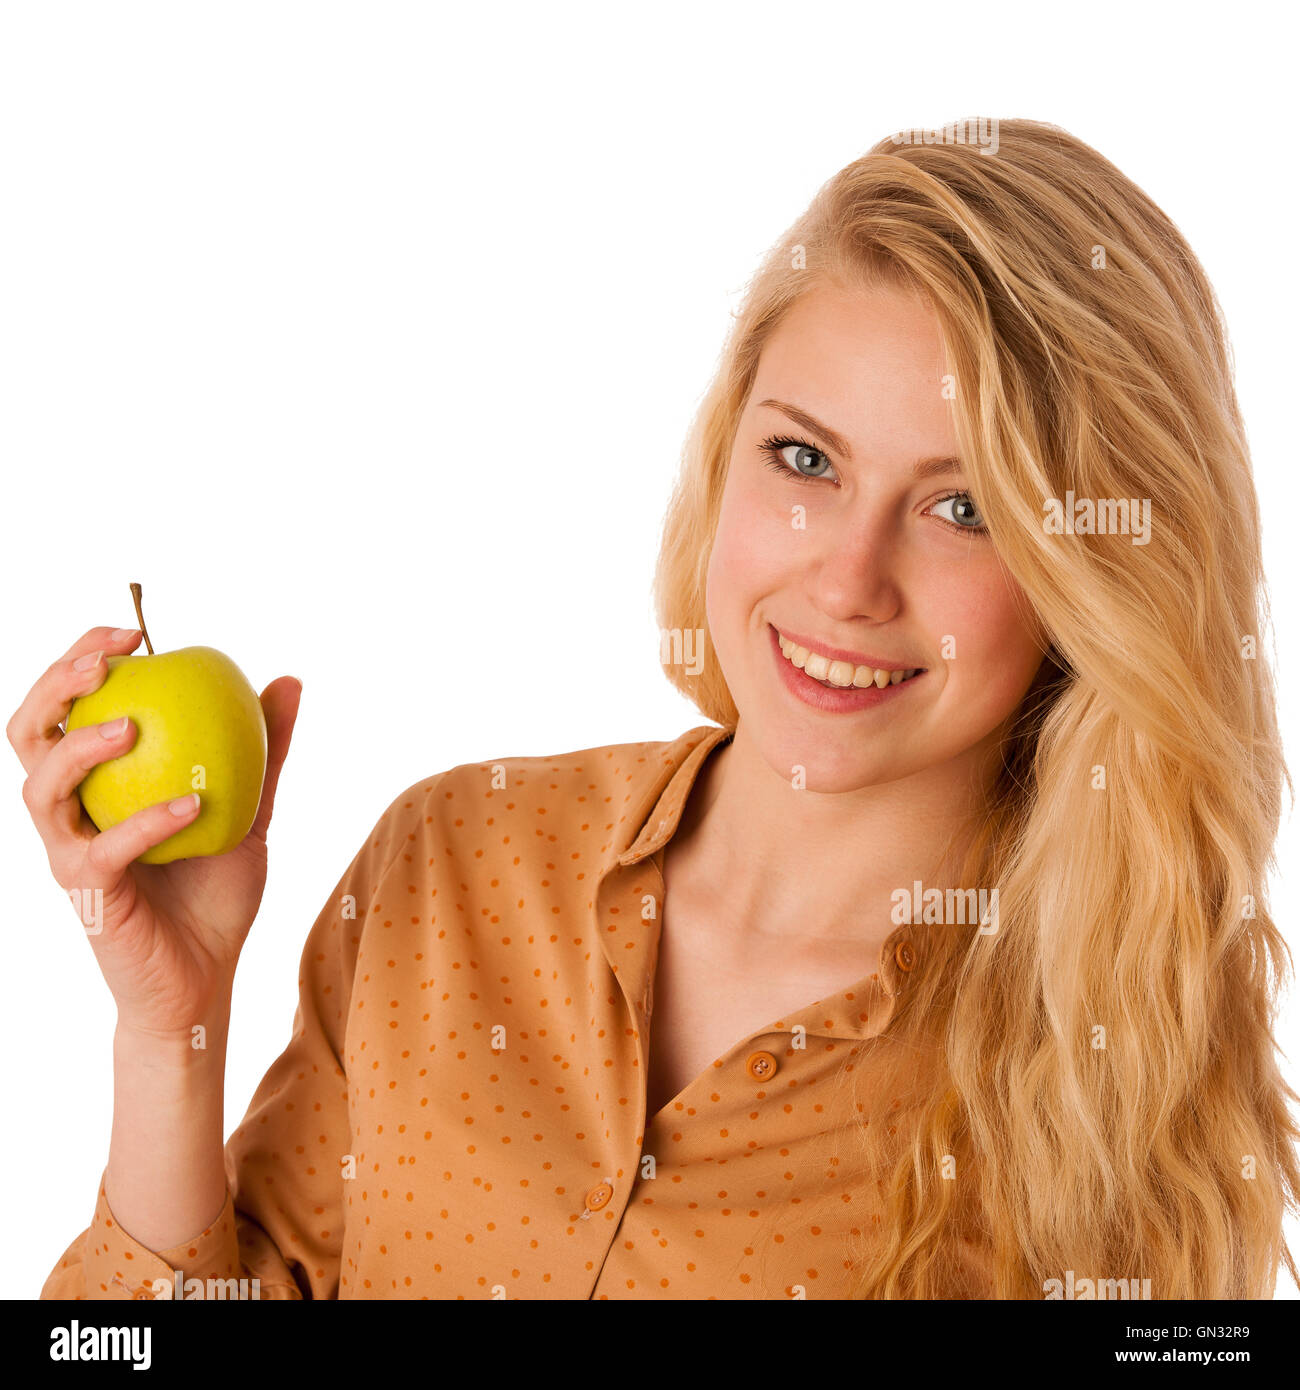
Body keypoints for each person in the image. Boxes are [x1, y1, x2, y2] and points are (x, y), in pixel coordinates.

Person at [19, 117, 1297, 1300]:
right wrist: (169, 1029)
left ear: (1093, 572)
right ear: (725, 451)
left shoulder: (1120, 1091)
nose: (846, 582)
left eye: (962, 509)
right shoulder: (452, 865)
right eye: (805, 459)